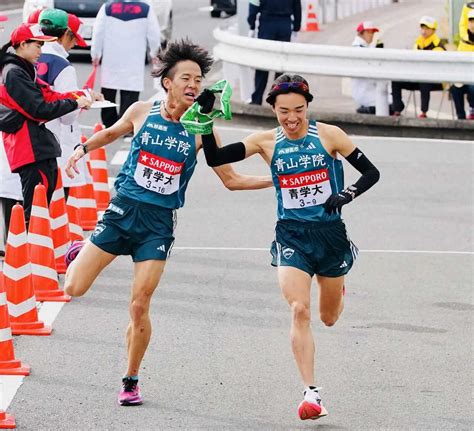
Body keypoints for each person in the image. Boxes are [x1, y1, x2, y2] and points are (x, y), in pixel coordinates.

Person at [63, 39, 273, 407]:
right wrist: (82, 150)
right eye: (186, 78)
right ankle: (82, 250)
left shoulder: (202, 130)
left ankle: (130, 380)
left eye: (198, 80)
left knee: (139, 304)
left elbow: (231, 179)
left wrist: (277, 181)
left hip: (157, 226)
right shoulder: (144, 110)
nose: (194, 85)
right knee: (74, 288)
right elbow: (113, 133)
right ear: (168, 83)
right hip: (121, 213)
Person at [197, 74, 380, 420]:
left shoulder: (329, 135)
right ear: (274, 111)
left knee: (327, 318)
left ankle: (338, 291)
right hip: (291, 235)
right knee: (299, 309)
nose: (291, 118)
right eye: (284, 111)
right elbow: (216, 157)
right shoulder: (265, 141)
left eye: (298, 110)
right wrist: (205, 122)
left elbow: (371, 173)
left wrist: (346, 194)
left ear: (308, 106)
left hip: (330, 235)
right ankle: (311, 394)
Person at [0, 23, 91, 223]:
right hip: (28, 147)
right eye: (38, 45)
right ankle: (28, 253)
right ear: (23, 44)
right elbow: (39, 109)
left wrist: (81, 96)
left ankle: (30, 251)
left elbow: (48, 94)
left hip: (37, 146)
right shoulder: (13, 72)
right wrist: (74, 102)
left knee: (39, 205)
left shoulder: (24, 68)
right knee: (35, 210)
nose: (41, 50)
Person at [37, 8, 103, 195]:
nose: (74, 44)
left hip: (19, 146)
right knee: (50, 207)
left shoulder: (22, 56)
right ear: (66, 33)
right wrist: (83, 100)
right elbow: (66, 116)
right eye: (74, 39)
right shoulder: (61, 66)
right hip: (52, 144)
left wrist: (85, 93)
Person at [91, 0, 161, 128]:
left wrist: (95, 54)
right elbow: (154, 34)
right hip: (134, 58)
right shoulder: (145, 9)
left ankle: (109, 123)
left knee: (109, 91)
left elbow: (98, 32)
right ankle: (125, 126)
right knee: (130, 93)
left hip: (111, 58)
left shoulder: (108, 8)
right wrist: (154, 52)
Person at [247, 0, 301, 105]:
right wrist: (296, 27)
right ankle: (278, 100)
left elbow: (253, 6)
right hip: (285, 24)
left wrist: (252, 25)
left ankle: (257, 99)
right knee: (280, 65)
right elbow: (297, 6)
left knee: (263, 64)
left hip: (267, 24)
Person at [391, 16, 446, 118]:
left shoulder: (438, 46)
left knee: (424, 80)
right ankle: (397, 110)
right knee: (396, 80)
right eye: (422, 28)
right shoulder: (418, 43)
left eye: (427, 29)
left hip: (435, 80)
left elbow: (434, 68)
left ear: (433, 30)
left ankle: (424, 112)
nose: (424, 31)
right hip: (419, 77)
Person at [351, 21, 381, 114]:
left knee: (394, 104)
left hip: (369, 91)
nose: (371, 35)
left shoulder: (366, 47)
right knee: (392, 106)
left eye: (372, 32)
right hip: (365, 94)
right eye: (369, 32)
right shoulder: (358, 48)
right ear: (361, 33)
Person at [450, 8, 474, 120]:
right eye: (471, 21)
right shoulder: (464, 41)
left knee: (472, 88)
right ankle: (461, 117)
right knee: (455, 88)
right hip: (464, 76)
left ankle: (472, 111)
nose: (473, 24)